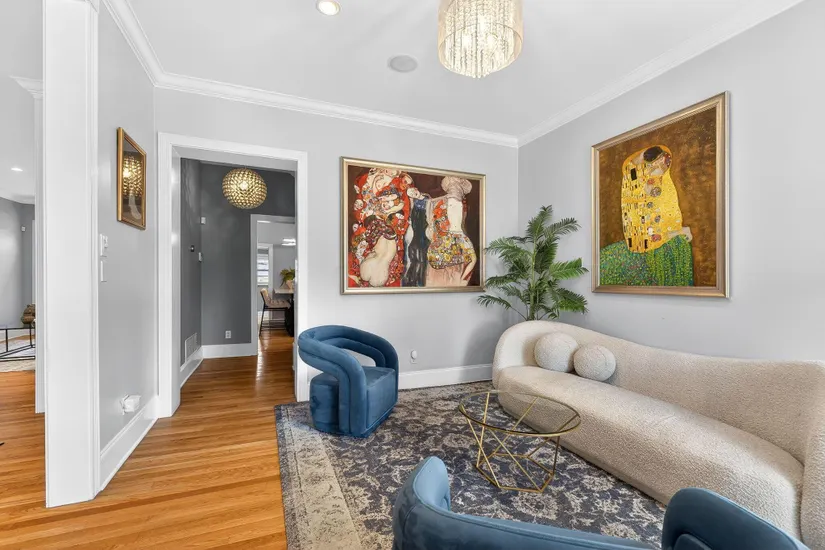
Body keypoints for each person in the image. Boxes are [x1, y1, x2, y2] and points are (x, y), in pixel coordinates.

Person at [600, 145, 694, 286]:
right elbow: (631, 170)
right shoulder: (636, 186)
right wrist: (644, 158)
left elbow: (666, 222)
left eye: (663, 163)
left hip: (666, 244)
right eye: (654, 165)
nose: (659, 166)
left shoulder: (665, 185)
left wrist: (679, 231)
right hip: (647, 245)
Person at [348, 168, 413, 288]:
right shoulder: (389, 260)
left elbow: (401, 207)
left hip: (385, 230)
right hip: (386, 229)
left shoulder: (390, 260)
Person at [424, 176, 477, 287]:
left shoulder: (461, 238)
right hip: (435, 276)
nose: (455, 211)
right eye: (451, 206)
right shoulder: (438, 233)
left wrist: (462, 282)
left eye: (458, 206)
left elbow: (473, 260)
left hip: (453, 278)